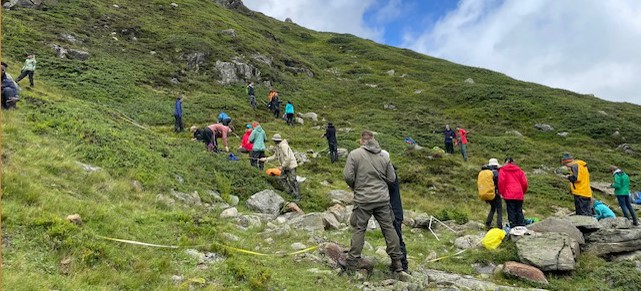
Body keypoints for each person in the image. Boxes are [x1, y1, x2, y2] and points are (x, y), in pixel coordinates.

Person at [340, 130, 404, 274]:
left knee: (359, 229)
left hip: (363, 200)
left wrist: (355, 186)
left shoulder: (354, 154)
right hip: (382, 199)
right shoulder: (384, 156)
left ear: (362, 140)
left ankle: (352, 262)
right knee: (388, 228)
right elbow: (392, 178)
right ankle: (397, 262)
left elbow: (348, 176)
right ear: (373, 140)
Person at [380, 150, 409, 273]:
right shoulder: (390, 172)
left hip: (394, 210)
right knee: (393, 237)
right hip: (393, 209)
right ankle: (397, 263)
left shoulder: (390, 174)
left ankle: (402, 264)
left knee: (396, 237)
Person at [260, 134, 300, 201]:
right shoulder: (278, 147)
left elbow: (288, 158)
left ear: (276, 140)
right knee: (282, 179)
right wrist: (266, 159)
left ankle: (297, 196)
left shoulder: (284, 146)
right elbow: (275, 157)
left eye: (274, 140)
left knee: (293, 180)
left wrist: (282, 166)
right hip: (284, 167)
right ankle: (290, 192)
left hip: (291, 166)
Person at [498, 157, 528, 227]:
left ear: (506, 162)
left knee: (511, 210)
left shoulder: (503, 170)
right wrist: (522, 191)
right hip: (518, 193)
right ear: (512, 162)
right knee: (519, 210)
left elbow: (501, 182)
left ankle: (513, 226)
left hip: (508, 193)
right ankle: (521, 225)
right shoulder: (519, 170)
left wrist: (501, 192)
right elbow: (524, 183)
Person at [482, 158, 503, 229]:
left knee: (493, 208)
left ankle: (488, 223)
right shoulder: (495, 172)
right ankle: (499, 226)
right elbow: (499, 183)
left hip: (487, 193)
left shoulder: (485, 172)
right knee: (499, 209)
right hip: (495, 193)